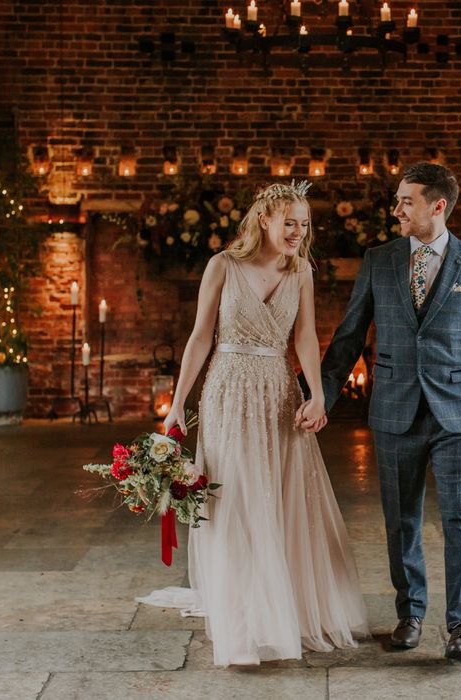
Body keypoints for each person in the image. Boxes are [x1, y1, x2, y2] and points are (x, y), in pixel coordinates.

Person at [149, 181, 369, 667]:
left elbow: (307, 337)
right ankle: (243, 622)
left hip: (278, 393)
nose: (297, 232)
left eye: (304, 224)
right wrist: (176, 404)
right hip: (228, 392)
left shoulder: (301, 273)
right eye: (289, 222)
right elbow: (200, 336)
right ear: (264, 220)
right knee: (237, 501)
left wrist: (316, 393)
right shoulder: (222, 266)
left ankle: (282, 612)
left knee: (282, 498)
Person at [299, 162, 461, 662]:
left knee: (460, 518)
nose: (396, 209)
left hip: (458, 413)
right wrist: (320, 393)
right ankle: (410, 613)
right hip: (394, 410)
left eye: (406, 201)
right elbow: (349, 335)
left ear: (437, 206)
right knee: (401, 521)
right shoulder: (380, 260)